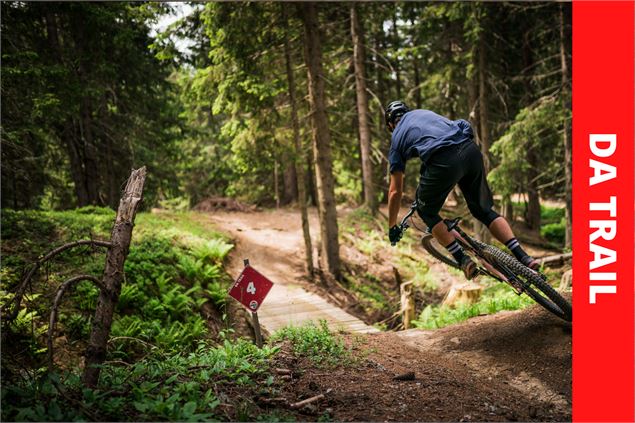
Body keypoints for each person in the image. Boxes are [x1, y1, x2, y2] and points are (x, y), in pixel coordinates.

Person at [385, 100, 538, 279]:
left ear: (390, 125)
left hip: (443, 161)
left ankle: (463, 260)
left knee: (425, 211)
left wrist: (392, 226)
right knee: (483, 210)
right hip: (469, 149)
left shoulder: (396, 138)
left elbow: (395, 191)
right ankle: (523, 257)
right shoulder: (424, 113)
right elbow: (463, 124)